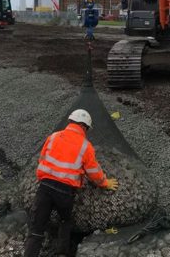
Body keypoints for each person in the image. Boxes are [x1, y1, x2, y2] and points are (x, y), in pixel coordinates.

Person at [24, 109, 119, 257]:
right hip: (65, 192)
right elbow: (93, 171)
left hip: (44, 187)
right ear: (85, 127)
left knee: (36, 228)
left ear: (70, 122)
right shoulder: (85, 146)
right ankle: (62, 253)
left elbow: (42, 158)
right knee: (65, 221)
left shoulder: (54, 137)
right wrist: (104, 183)